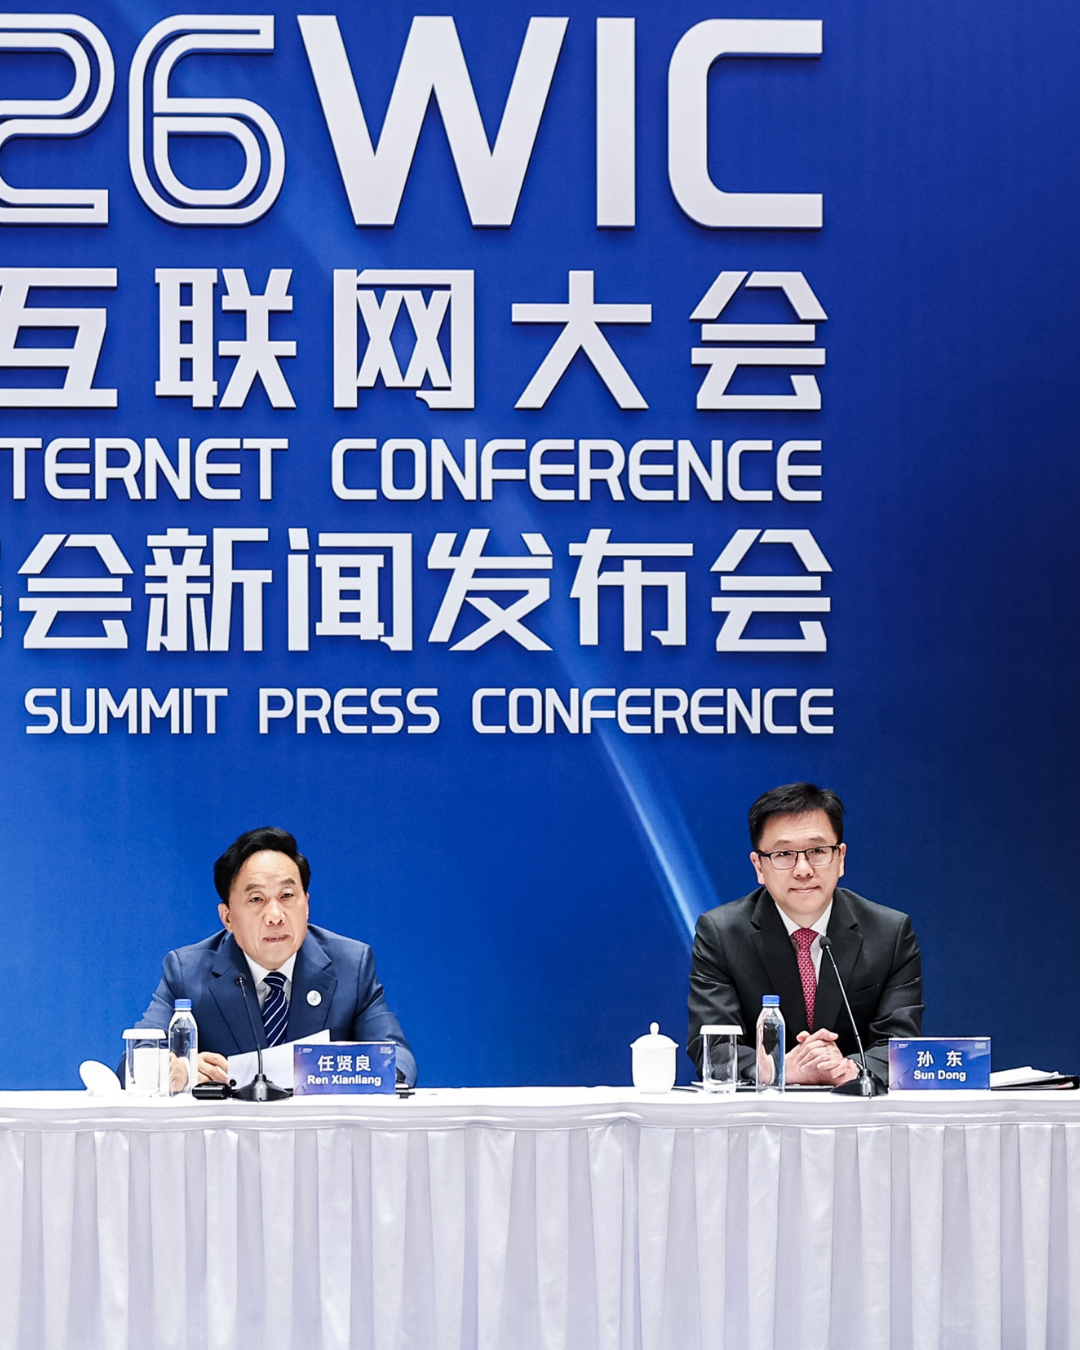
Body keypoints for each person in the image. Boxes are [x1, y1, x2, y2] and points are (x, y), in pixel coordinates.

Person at [135, 826, 417, 1086]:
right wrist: (180, 1069)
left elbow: (399, 1061)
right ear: (227, 917)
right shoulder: (186, 972)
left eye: (287, 895)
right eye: (256, 899)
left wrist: (352, 1067)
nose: (275, 916)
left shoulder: (351, 965)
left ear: (306, 905)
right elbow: (136, 1060)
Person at [687, 782, 922, 1085]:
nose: (803, 869)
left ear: (840, 858)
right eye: (784, 854)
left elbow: (901, 1044)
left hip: (857, 1106)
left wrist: (847, 1068)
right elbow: (713, 1047)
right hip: (764, 1109)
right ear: (759, 866)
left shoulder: (889, 933)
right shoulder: (721, 933)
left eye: (818, 851)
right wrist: (779, 1068)